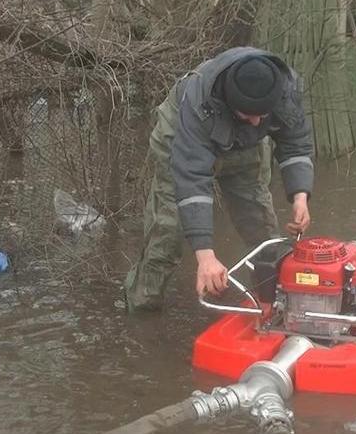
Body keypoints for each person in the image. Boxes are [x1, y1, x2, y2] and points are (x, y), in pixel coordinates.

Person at [124, 46, 314, 313]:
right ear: (231, 102)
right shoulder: (198, 100)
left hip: (245, 144)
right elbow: (192, 178)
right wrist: (205, 256)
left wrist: (300, 196)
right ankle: (142, 308)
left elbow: (296, 142)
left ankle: (274, 303)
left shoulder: (285, 90)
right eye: (248, 114)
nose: (257, 119)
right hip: (179, 138)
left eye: (263, 115)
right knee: (168, 232)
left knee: (261, 225)